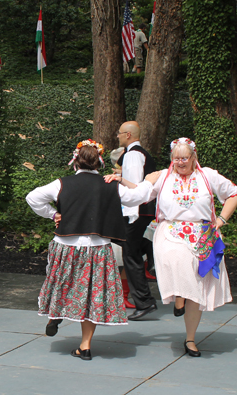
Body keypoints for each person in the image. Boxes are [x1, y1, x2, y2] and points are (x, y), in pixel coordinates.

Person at [107, 137, 237, 357]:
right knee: (177, 259)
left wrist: (221, 220)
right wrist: (119, 181)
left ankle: (190, 339)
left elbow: (234, 193)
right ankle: (179, 296)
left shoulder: (208, 175)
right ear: (172, 158)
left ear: (193, 157)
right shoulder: (163, 176)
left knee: (196, 291)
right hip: (170, 232)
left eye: (185, 158)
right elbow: (139, 195)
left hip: (201, 235)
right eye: (176, 158)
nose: (180, 162)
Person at [26, 139, 155, 361]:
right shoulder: (110, 185)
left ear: (75, 161)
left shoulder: (62, 183)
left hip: (66, 245)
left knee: (61, 284)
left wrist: (53, 214)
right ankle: (85, 346)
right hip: (96, 248)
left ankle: (54, 316)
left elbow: (33, 198)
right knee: (92, 295)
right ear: (99, 162)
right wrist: (148, 181)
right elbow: (139, 197)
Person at [116, 121, 158, 320]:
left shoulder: (132, 155)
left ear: (128, 135)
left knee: (130, 255)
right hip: (145, 211)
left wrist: (130, 214)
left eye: (120, 133)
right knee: (133, 249)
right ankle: (150, 253)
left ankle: (144, 301)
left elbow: (132, 188)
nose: (118, 136)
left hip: (137, 210)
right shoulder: (142, 154)